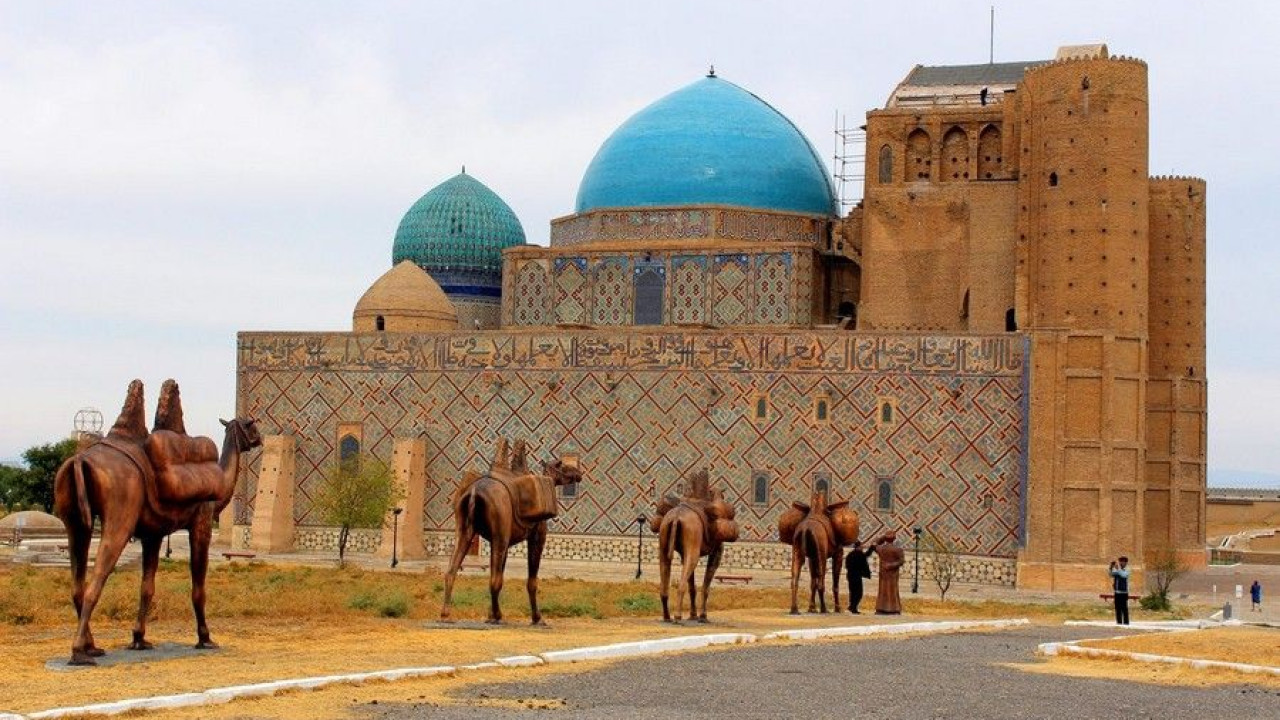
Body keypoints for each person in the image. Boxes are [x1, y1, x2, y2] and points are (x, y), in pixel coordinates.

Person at [873, 533, 904, 615]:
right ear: (894, 539)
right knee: (892, 590)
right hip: (892, 573)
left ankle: (881, 608)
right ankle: (894, 609)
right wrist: (892, 565)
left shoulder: (881, 549)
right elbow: (901, 561)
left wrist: (881, 538)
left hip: (884, 573)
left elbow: (873, 544)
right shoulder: (898, 549)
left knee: (884, 590)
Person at [845, 539, 874, 614]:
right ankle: (853, 608)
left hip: (850, 576)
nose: (862, 548)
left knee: (852, 592)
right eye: (861, 546)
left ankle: (851, 607)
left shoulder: (850, 555)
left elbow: (847, 565)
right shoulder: (859, 554)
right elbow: (866, 555)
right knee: (858, 593)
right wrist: (872, 547)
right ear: (859, 547)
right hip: (857, 577)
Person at [1109, 557, 1131, 625]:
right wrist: (1111, 567)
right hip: (1117, 592)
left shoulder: (1127, 570)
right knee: (1118, 608)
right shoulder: (1117, 570)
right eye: (1120, 561)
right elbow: (1111, 575)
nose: (1121, 563)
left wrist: (1118, 569)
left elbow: (1123, 575)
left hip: (1124, 592)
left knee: (1124, 608)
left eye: (1123, 561)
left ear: (1126, 563)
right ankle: (1119, 622)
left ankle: (1126, 622)